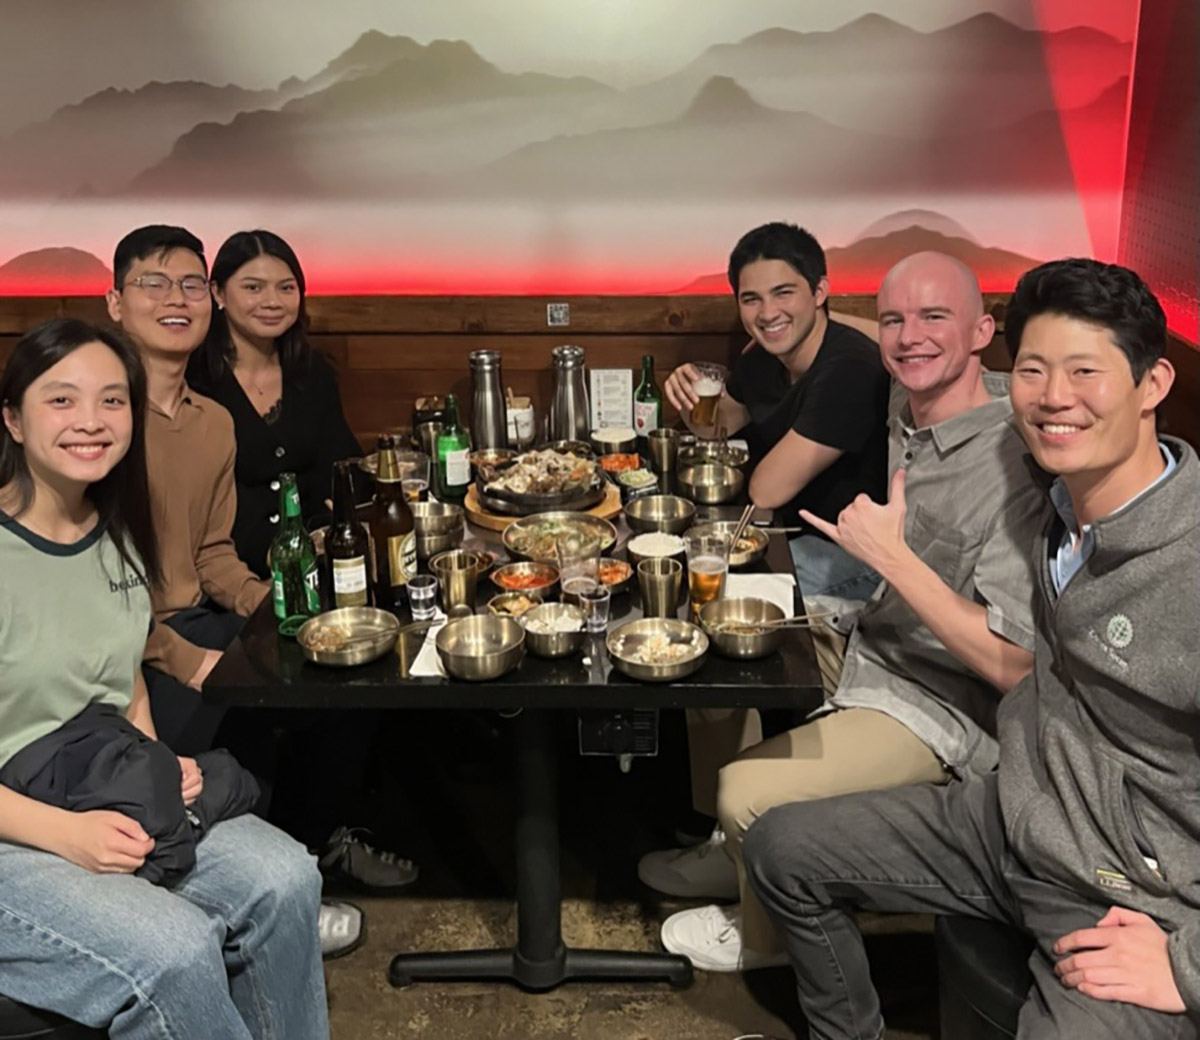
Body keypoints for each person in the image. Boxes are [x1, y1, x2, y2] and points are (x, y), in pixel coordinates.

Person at [744, 258, 1199, 1039]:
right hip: (1014, 817)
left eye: (1085, 371)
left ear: (1152, 383)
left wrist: (1189, 965)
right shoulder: (1056, 494)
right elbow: (903, 341)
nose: (1055, 397)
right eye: (1033, 370)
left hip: (1129, 895)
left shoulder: (1183, 560)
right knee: (781, 845)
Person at [639, 252, 1046, 973]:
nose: (909, 337)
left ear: (985, 330)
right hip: (867, 637)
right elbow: (881, 338)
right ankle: (727, 848)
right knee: (702, 641)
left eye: (934, 319)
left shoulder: (1018, 454)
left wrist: (893, 562)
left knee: (749, 791)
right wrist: (829, 321)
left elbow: (1015, 665)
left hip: (941, 703)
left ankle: (765, 934)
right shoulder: (906, 400)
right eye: (894, 321)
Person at [0, 317, 328, 1038]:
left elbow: (125, 680)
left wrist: (157, 761)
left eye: (112, 401)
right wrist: (66, 834)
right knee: (174, 950)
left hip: (99, 780)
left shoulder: (111, 531)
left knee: (286, 879)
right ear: (13, 420)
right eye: (61, 401)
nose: (91, 422)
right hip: (19, 825)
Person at [104, 224, 270, 754]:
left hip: (196, 620)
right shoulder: (94, 425)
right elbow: (82, 587)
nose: (176, 299)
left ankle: (317, 835)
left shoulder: (214, 421)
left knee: (317, 686)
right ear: (115, 302)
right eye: (154, 283)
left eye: (192, 285)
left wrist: (269, 606)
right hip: (121, 651)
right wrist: (187, 661)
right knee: (234, 732)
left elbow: (212, 554)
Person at [664, 222, 890, 603]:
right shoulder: (765, 358)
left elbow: (766, 491)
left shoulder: (850, 369)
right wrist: (690, 397)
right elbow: (718, 426)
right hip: (792, 533)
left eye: (783, 293)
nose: (768, 313)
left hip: (857, 560)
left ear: (819, 291)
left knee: (716, 589)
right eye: (751, 299)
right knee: (684, 566)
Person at [188, 229, 360, 578]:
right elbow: (200, 499)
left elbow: (339, 463)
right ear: (218, 292)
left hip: (317, 557)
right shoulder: (195, 381)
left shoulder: (312, 372)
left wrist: (336, 522)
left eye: (286, 287)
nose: (273, 302)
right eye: (253, 288)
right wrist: (271, 554)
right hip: (233, 571)